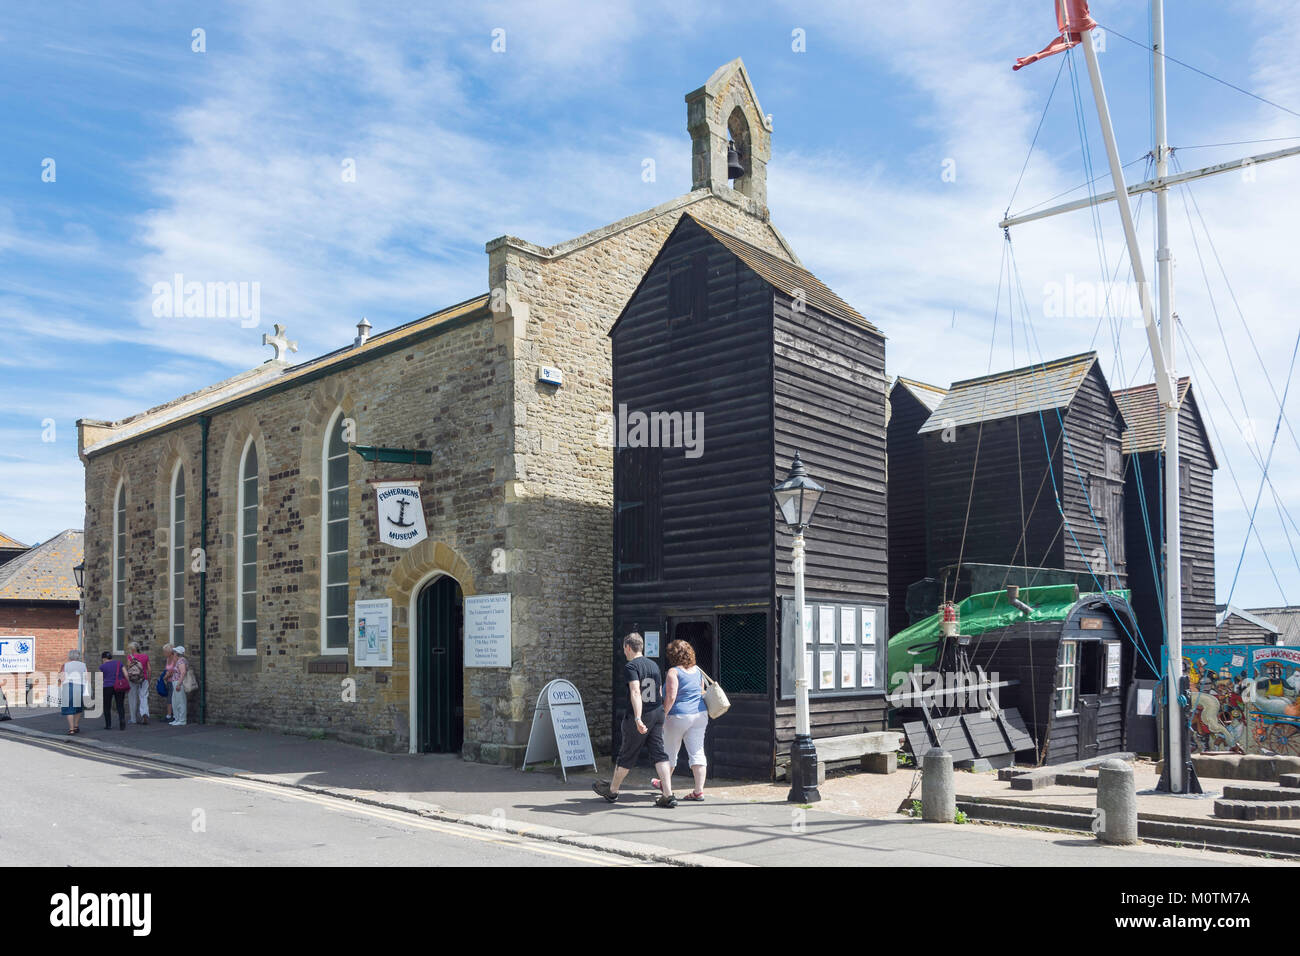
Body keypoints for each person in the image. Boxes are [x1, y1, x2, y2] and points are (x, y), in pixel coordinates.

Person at [593, 633, 675, 807]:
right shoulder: (654, 665)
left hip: (641, 714)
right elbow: (660, 692)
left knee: (627, 754)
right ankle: (668, 794)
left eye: (624, 649)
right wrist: (661, 713)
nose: (624, 652)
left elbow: (636, 692)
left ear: (628, 647)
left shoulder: (631, 667)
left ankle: (613, 791)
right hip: (657, 711)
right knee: (659, 753)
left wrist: (638, 717)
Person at [657, 639, 709, 801]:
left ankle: (667, 789)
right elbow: (701, 691)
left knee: (669, 753)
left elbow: (671, 696)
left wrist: (663, 715)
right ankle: (698, 791)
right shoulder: (697, 671)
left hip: (678, 716)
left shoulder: (673, 672)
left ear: (672, 655)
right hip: (700, 714)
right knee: (697, 752)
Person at [60, 649, 88, 735]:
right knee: (78, 707)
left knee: (69, 708)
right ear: (78, 656)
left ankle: (71, 729)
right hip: (80, 686)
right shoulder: (83, 665)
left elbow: (62, 678)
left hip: (69, 686)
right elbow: (87, 677)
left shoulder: (65, 665)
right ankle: (76, 726)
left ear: (69, 656)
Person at [98, 651, 128, 731]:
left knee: (107, 706)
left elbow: (100, 679)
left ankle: (108, 725)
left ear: (104, 658)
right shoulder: (119, 663)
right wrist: (127, 684)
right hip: (119, 686)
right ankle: (122, 722)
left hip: (107, 687)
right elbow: (126, 674)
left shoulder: (102, 666)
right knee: (120, 705)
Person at [125, 641, 150, 725]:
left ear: (132, 649)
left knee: (133, 698)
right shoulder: (145, 656)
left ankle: (133, 719)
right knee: (143, 697)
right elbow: (149, 669)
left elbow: (129, 668)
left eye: (129, 649)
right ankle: (144, 714)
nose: (129, 650)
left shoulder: (130, 657)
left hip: (133, 679)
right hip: (144, 678)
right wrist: (148, 679)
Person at [170, 646, 189, 727]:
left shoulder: (181, 661)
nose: (173, 654)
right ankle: (177, 719)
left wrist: (179, 684)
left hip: (178, 682)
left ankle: (182, 720)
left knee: (180, 702)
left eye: (174, 653)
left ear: (177, 654)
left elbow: (183, 672)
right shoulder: (179, 660)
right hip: (175, 682)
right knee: (175, 702)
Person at [161, 644, 175, 722]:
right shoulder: (168, 659)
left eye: (165, 651)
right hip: (168, 681)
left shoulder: (174, 659)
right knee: (169, 698)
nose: (164, 653)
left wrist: (165, 677)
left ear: (170, 652)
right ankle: (169, 715)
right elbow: (167, 669)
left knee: (171, 698)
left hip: (173, 681)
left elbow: (173, 671)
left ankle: (170, 715)